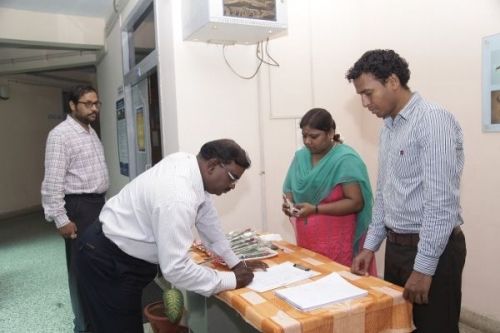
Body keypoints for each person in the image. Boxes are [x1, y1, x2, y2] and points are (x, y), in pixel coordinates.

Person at [74, 139, 268, 333]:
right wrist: (232, 280)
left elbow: (210, 225)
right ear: (212, 166)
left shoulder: (188, 166)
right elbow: (175, 269)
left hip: (119, 256)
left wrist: (235, 264)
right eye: (232, 177)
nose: (232, 186)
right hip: (106, 261)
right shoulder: (178, 196)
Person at [346, 49, 466, 332]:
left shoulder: (432, 120)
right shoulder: (388, 127)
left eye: (368, 93)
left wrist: (424, 268)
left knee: (435, 328)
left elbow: (441, 202)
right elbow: (385, 192)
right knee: (400, 326)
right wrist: (370, 246)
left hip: (433, 251)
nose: (364, 103)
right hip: (398, 247)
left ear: (392, 82)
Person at [41, 85, 109, 333]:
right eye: (87, 103)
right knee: (80, 270)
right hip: (79, 208)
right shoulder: (61, 135)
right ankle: (84, 326)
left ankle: (97, 318)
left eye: (96, 103)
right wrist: (61, 219)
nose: (94, 108)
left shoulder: (89, 132)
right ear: (72, 105)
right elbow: (52, 183)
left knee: (96, 265)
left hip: (96, 205)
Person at [282, 108, 376, 275]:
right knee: (310, 283)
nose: (308, 141)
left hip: (336, 240)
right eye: (304, 136)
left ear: (330, 132)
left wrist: (316, 209)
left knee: (337, 285)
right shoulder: (301, 157)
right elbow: (289, 190)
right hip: (307, 239)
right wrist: (288, 204)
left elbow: (356, 202)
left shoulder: (345, 159)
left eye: (314, 136)